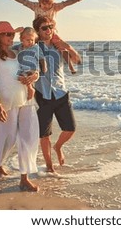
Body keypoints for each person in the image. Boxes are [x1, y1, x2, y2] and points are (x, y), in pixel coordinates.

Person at [0, 21, 40, 191]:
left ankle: (24, 177)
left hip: (26, 98)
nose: (11, 36)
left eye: (11, 34)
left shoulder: (16, 52)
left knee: (28, 136)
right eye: (6, 34)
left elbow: (28, 69)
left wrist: (32, 79)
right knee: (8, 136)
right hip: (7, 101)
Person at [33, 16, 76, 173]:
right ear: (38, 30)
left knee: (70, 129)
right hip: (43, 94)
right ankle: (50, 166)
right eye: (44, 27)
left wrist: (69, 47)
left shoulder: (59, 47)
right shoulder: (33, 47)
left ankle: (58, 147)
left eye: (50, 26)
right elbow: (14, 49)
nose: (48, 30)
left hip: (61, 92)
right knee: (44, 134)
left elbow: (77, 61)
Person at [7, 0, 85, 74]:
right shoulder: (35, 6)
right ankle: (31, 69)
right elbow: (23, 1)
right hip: (36, 32)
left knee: (62, 48)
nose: (46, 6)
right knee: (30, 44)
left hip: (54, 34)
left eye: (49, 4)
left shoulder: (55, 7)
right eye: (44, 4)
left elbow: (66, 3)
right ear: (39, 2)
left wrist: (77, 0)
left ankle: (71, 67)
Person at [13, 27, 47, 101]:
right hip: (22, 68)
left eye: (32, 40)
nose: (30, 42)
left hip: (33, 68)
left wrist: (44, 67)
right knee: (20, 76)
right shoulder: (19, 47)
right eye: (28, 40)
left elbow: (42, 58)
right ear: (22, 40)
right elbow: (9, 48)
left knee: (29, 76)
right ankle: (28, 90)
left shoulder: (36, 48)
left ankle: (30, 89)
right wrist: (13, 32)